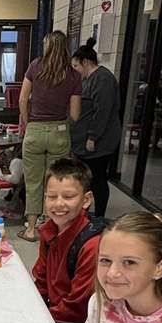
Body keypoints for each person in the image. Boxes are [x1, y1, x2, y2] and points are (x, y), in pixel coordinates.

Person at [32, 159, 101, 323]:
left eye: (68, 196)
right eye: (51, 197)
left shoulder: (91, 245)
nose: (59, 204)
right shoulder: (49, 231)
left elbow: (77, 307)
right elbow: (42, 280)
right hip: (56, 312)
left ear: (86, 200)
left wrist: (40, 319)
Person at [17, 30, 82, 241]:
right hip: (59, 132)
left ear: (47, 46)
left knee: (33, 181)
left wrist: (28, 122)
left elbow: (22, 98)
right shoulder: (73, 75)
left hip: (35, 129)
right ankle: (49, 228)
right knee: (54, 182)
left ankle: (30, 228)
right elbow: (75, 114)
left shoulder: (35, 66)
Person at [70, 38, 121, 217]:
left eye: (76, 66)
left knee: (98, 178)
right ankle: (86, 213)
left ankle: (99, 216)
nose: (75, 71)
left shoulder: (103, 79)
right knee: (87, 179)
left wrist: (92, 137)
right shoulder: (88, 79)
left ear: (85, 62)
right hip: (83, 141)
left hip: (99, 142)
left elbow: (103, 112)